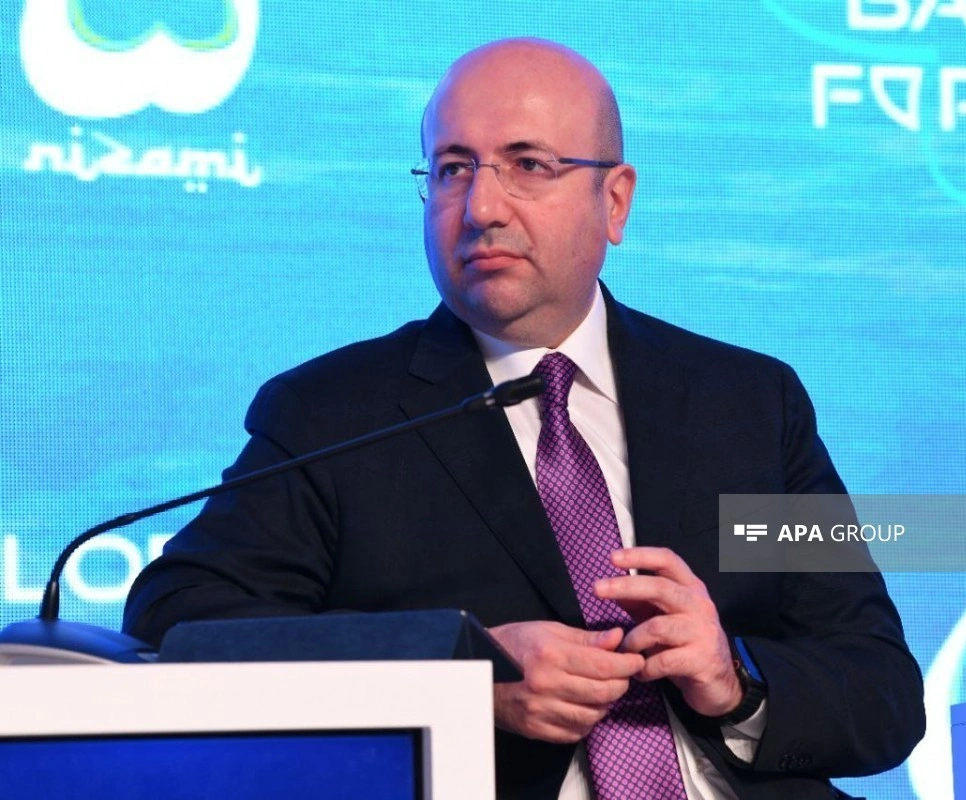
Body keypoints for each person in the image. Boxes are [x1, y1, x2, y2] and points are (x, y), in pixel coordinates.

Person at [124, 38, 924, 800]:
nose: (481, 207)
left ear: (615, 201)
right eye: (452, 169)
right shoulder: (333, 416)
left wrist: (734, 678)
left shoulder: (746, 405)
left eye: (528, 165)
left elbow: (880, 687)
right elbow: (182, 622)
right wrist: (460, 677)